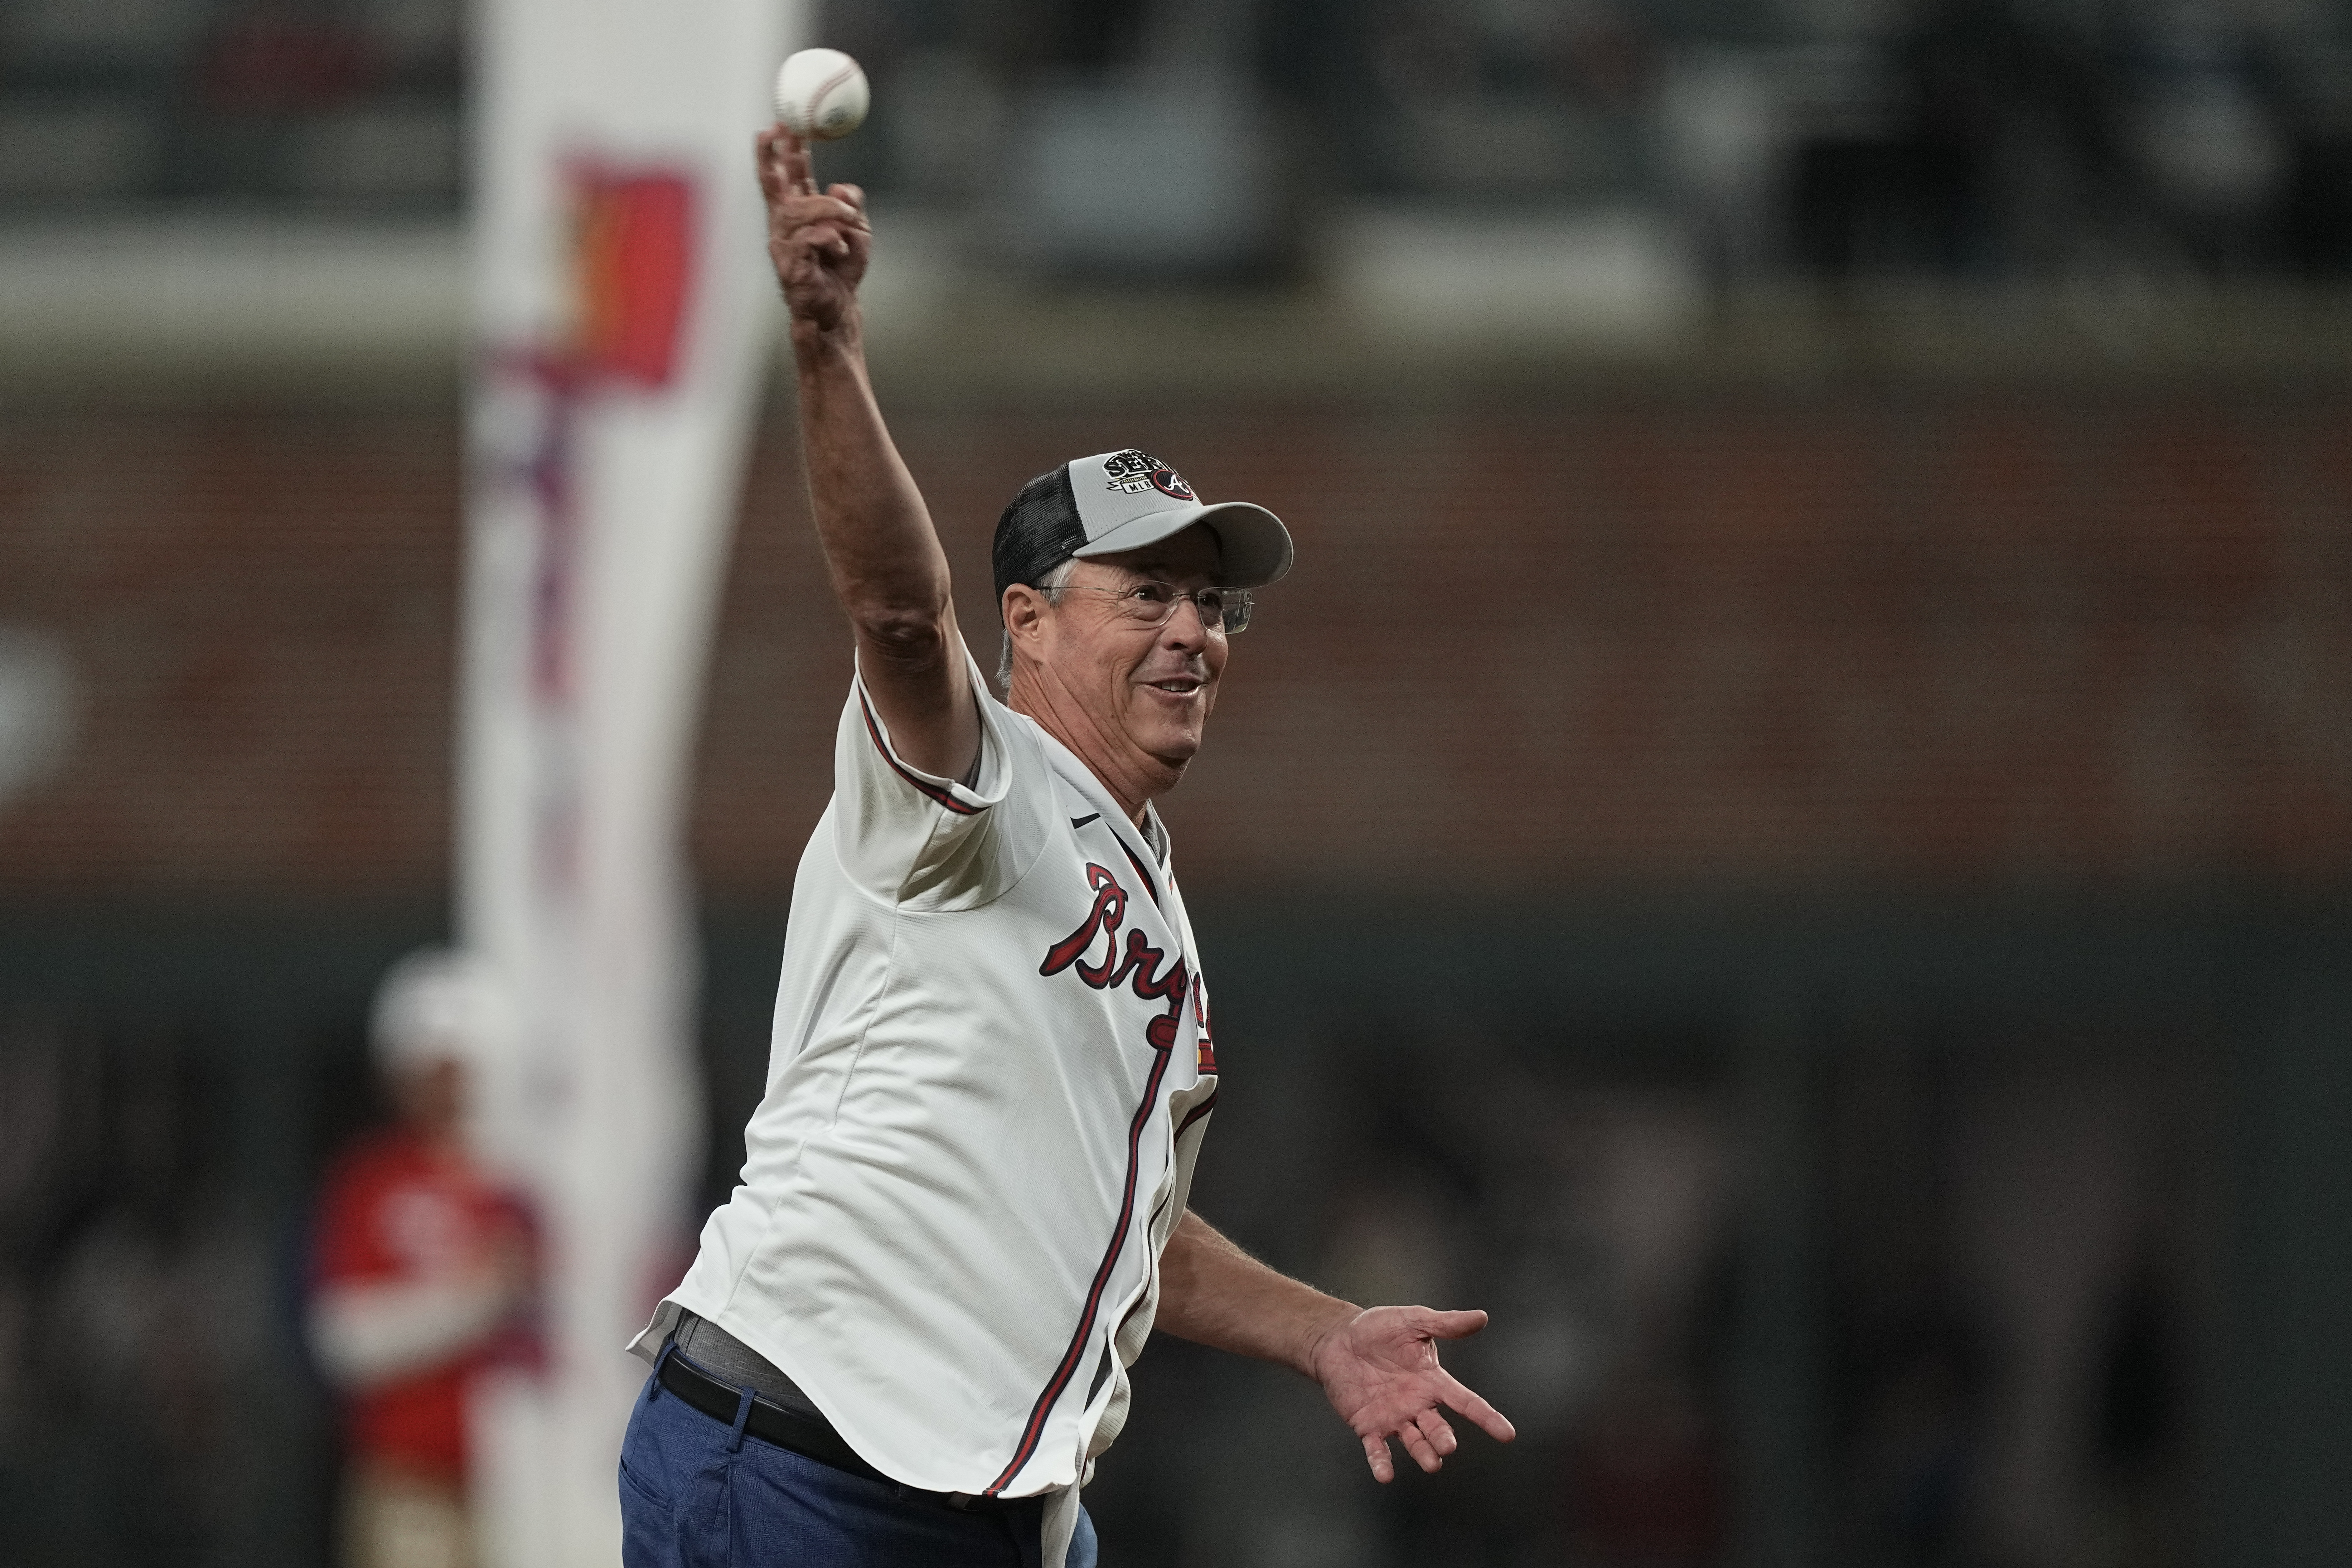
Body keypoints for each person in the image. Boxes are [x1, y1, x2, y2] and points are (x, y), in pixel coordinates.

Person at [615, 128, 1516, 1568]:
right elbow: (902, 616)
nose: (1194, 633)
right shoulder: (968, 787)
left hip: (1002, 1504)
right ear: (1026, 622)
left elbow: (1126, 1225)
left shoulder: (1149, 897)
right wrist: (829, 349)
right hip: (804, 1461)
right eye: (1147, 592)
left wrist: (1322, 1333)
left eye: (1215, 606)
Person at [310, 949, 538, 1568]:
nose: (442, 1084)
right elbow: (345, 1338)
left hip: (529, 1479)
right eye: (425, 1066)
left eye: (456, 1065)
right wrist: (475, 1303)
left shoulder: (531, 1183)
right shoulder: (374, 1181)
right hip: (412, 1480)